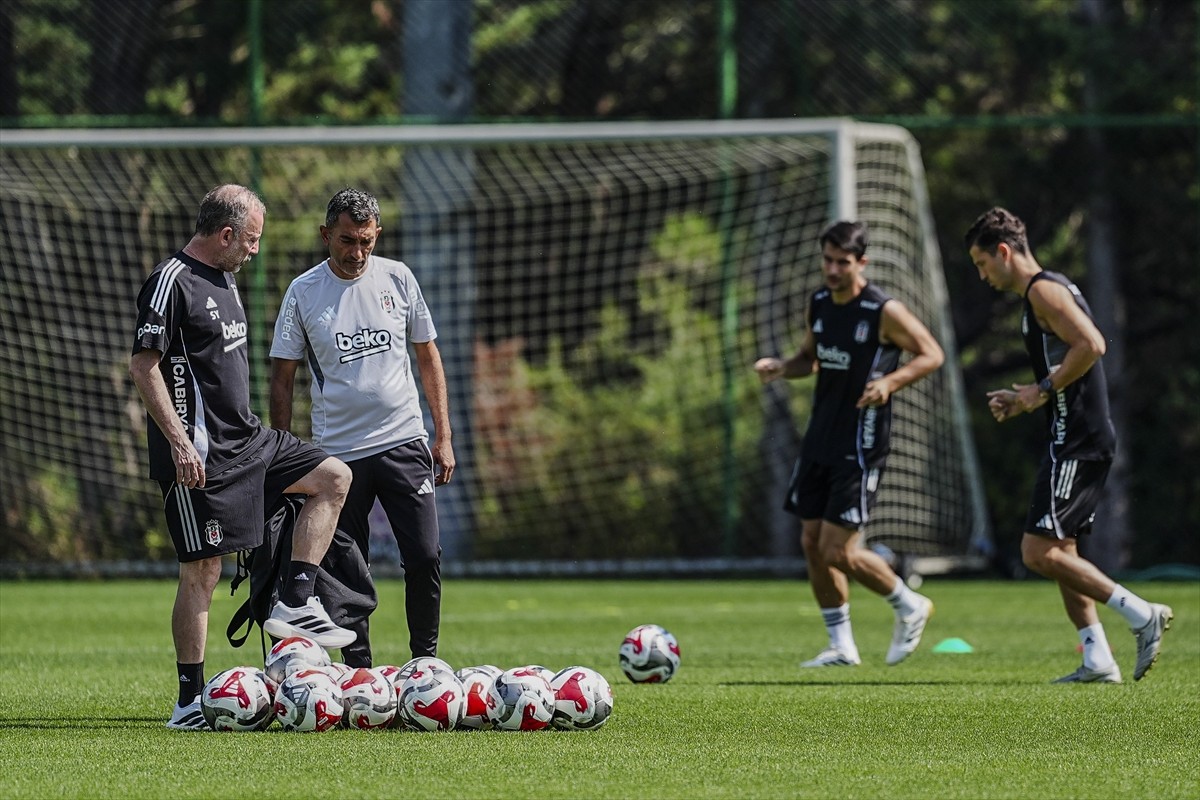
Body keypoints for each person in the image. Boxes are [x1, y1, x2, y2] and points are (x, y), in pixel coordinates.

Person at [130, 184, 357, 731]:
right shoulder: (169, 283)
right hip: (201, 459)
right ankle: (188, 701)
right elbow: (144, 367)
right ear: (226, 234)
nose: (255, 251)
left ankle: (294, 601)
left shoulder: (226, 277)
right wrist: (181, 443)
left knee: (332, 478)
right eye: (251, 240)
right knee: (202, 571)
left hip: (250, 441)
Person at [964, 206, 1173, 683]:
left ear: (1003, 252)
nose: (982, 276)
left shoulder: (1044, 290)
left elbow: (1092, 344)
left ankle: (1141, 613)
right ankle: (1097, 658)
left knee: (1038, 553)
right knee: (1063, 549)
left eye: (981, 264)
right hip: (1073, 435)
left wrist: (1039, 392)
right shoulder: (1043, 292)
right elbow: (1067, 362)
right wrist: (1026, 400)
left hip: (1077, 439)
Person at [269, 187, 455, 669]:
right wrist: (284, 456)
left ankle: (425, 664)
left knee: (425, 555)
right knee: (348, 569)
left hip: (404, 440)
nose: (357, 253)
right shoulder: (303, 292)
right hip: (339, 455)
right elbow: (282, 377)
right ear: (325, 235)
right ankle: (358, 672)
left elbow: (428, 355)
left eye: (366, 242)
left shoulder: (399, 278)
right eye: (347, 241)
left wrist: (443, 435)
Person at [755, 221, 944, 667]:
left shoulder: (882, 309)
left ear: (862, 263)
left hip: (860, 444)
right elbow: (810, 359)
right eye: (828, 260)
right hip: (820, 436)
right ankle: (841, 645)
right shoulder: (819, 303)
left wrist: (891, 382)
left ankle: (907, 604)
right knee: (810, 542)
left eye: (843, 262)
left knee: (837, 550)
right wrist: (783, 367)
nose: (834, 270)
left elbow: (931, 352)